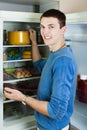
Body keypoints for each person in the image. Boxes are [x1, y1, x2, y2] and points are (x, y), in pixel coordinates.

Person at [4, 9, 77, 130]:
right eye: (42, 27)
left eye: (51, 27)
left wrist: (22, 97)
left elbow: (56, 111)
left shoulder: (63, 61)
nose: (45, 32)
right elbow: (38, 64)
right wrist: (33, 42)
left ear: (63, 30)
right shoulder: (55, 54)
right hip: (45, 125)